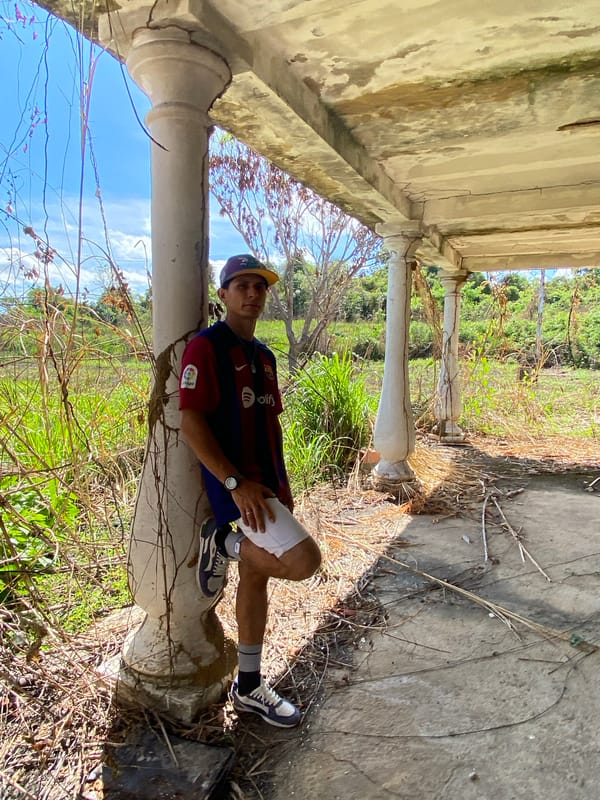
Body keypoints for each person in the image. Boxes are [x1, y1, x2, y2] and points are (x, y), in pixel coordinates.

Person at [179, 254, 322, 728]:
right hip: (235, 490)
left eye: (259, 286)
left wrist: (282, 486)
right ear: (222, 294)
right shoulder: (207, 347)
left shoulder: (264, 357)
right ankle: (222, 542)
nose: (252, 293)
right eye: (242, 285)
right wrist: (236, 485)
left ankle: (248, 686)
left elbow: (271, 427)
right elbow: (192, 422)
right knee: (304, 562)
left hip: (267, 487)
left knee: (257, 579)